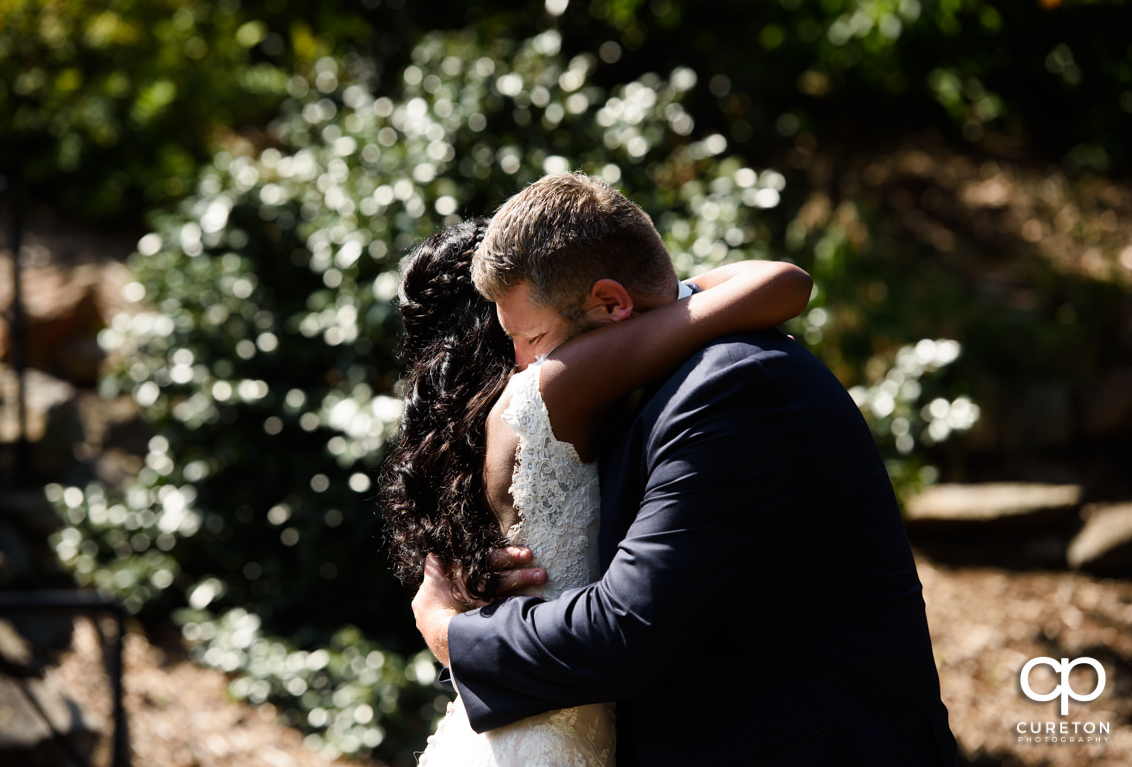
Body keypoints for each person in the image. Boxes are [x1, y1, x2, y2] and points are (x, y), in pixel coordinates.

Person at [411, 173, 958, 766]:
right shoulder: (638, 377)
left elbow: (627, 630)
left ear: (613, 303)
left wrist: (449, 633)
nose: (522, 368)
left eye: (531, 337)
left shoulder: (735, 389)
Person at [380, 215, 813, 765]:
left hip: (525, 714)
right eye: (519, 335)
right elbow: (783, 283)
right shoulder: (552, 381)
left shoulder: (480, 434)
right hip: (566, 709)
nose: (525, 356)